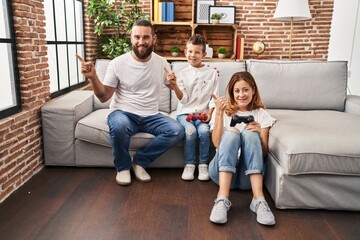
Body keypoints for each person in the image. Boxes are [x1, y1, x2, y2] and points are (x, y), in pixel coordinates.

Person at [76, 19, 184, 186]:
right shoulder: (118, 63)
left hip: (151, 116)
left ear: (154, 39)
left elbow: (175, 89)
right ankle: (123, 167)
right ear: (131, 39)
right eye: (137, 37)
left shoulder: (162, 63)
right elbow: (104, 96)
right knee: (118, 125)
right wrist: (93, 78)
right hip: (123, 113)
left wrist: (174, 84)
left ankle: (139, 161)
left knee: (177, 130)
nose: (141, 42)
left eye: (146, 37)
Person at [208, 71, 276, 225]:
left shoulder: (262, 114)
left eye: (245, 89)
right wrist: (218, 113)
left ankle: (258, 200)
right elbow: (217, 144)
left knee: (250, 134)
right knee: (232, 133)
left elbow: (264, 152)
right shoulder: (224, 111)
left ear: (253, 89)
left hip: (248, 178)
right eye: (237, 91)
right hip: (221, 173)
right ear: (232, 93)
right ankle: (222, 199)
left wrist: (259, 132)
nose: (241, 95)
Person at [165, 34, 219, 181]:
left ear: (204, 54)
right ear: (185, 52)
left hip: (202, 114)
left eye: (196, 52)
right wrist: (175, 85)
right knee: (190, 132)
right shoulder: (182, 74)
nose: (192, 55)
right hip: (185, 114)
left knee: (204, 132)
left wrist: (210, 112)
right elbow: (184, 99)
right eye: (190, 51)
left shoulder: (212, 73)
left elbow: (214, 97)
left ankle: (203, 165)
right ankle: (189, 164)